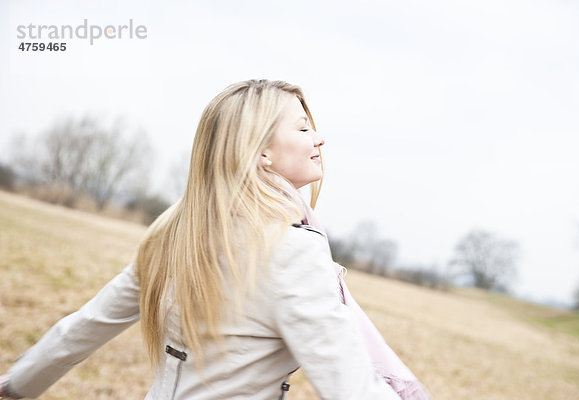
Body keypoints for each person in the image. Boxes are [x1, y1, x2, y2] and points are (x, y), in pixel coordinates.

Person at [0, 79, 431, 399]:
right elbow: (347, 383)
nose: (319, 137)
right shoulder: (293, 250)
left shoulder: (177, 228)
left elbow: (87, 325)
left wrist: (15, 387)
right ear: (260, 150)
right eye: (303, 128)